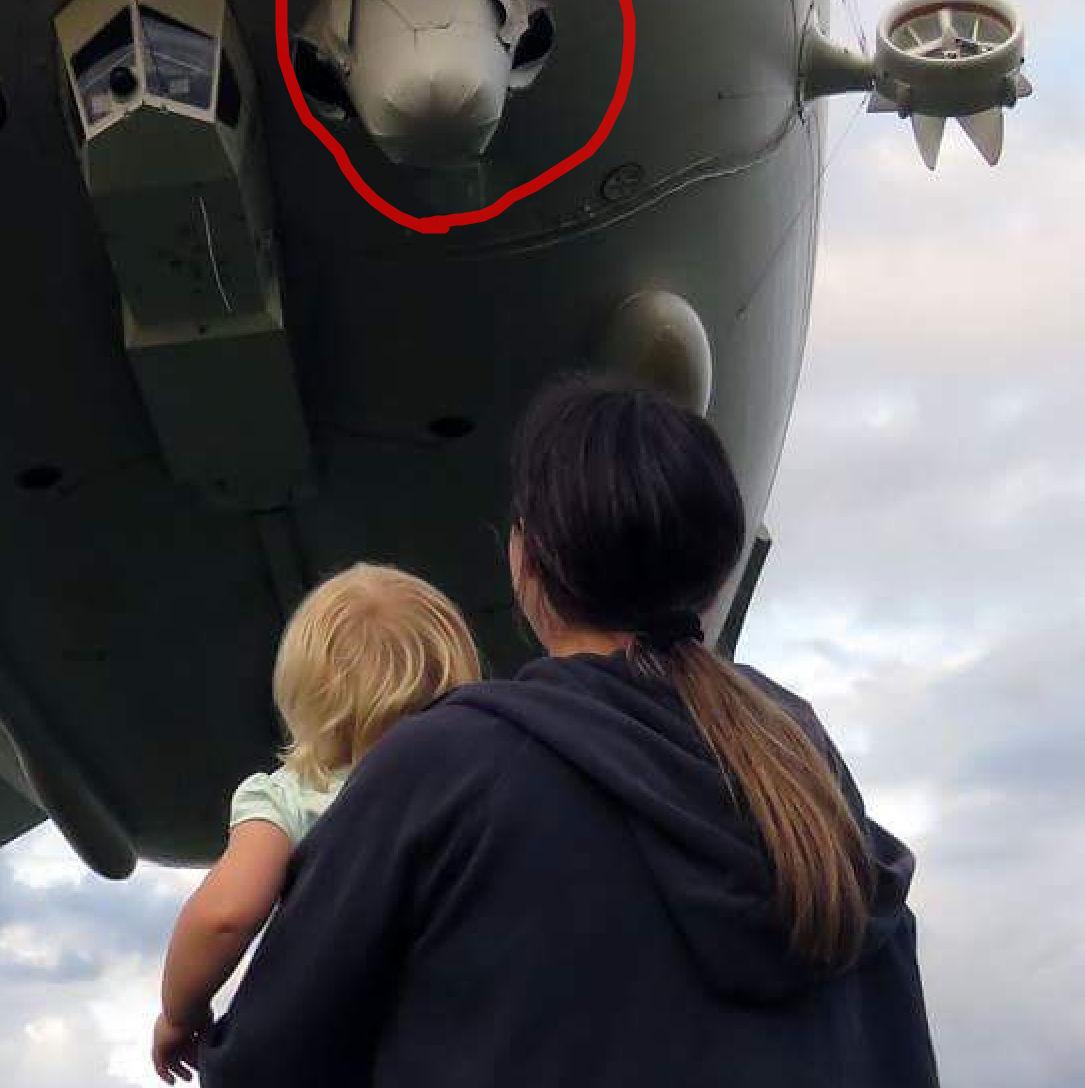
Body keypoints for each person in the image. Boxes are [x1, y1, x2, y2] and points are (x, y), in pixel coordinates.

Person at [201, 379, 938, 1087]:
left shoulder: (445, 769)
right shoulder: (808, 777)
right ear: (717, 574)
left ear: (525, 558)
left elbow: (265, 1062)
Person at [151, 563, 483, 1084]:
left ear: (302, 692)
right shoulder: (482, 775)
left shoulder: (288, 795)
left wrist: (179, 1014)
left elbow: (224, 915)